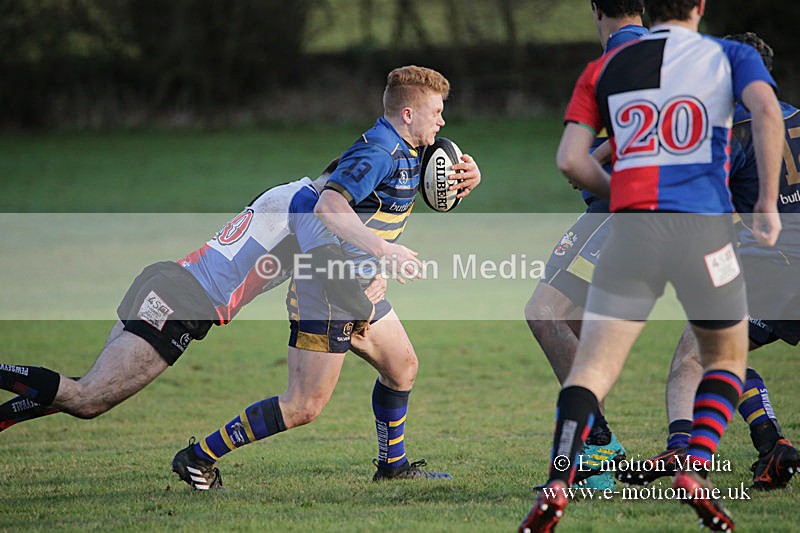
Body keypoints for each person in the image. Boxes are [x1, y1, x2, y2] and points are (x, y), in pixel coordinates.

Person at [519, 1, 783, 531]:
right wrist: (767, 204)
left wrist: (622, 191)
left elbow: (572, 160)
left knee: (593, 367)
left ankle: (559, 477)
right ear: (700, 7)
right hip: (704, 231)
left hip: (633, 230)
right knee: (724, 357)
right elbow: (768, 112)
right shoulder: (728, 54)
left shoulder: (605, 68)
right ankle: (695, 463)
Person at [171, 65, 482, 489]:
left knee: (403, 367)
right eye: (437, 111)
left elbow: (436, 168)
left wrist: (471, 175)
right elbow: (329, 206)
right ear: (408, 114)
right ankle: (197, 457)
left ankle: (392, 467)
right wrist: (384, 251)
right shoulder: (378, 152)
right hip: (328, 285)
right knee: (302, 405)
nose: (442, 120)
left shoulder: (409, 148)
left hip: (358, 286)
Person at [0, 161, 386, 431]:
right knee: (88, 399)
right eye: (348, 198)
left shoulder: (287, 193)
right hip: (183, 301)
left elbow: (300, 267)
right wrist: (367, 299)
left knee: (85, 390)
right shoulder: (308, 209)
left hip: (168, 280)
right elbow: (325, 275)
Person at [617, 32, 800, 491]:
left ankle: (686, 450)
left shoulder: (733, 130)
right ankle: (770, 445)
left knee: (697, 355)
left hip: (774, 272)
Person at [524, 0, 647, 491]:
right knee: (577, 323)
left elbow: (621, 134)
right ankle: (601, 449)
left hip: (616, 210)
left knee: (544, 313)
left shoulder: (614, 60)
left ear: (596, 9)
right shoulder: (667, 51)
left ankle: (598, 450)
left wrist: (590, 159)